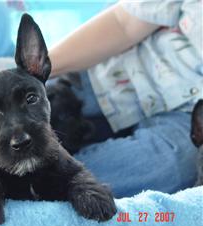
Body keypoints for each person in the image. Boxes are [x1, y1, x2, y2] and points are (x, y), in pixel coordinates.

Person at [48, 0, 203, 197]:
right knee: (27, 101)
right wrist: (41, 67)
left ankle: (43, 182)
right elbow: (123, 23)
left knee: (176, 165)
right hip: (126, 68)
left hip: (187, 121)